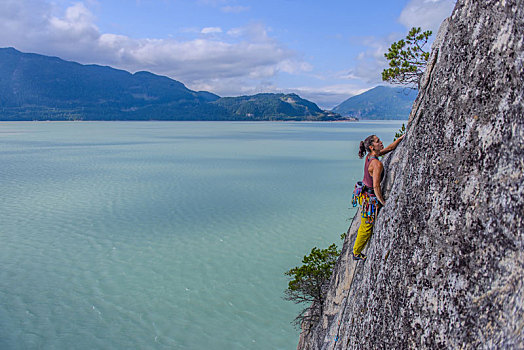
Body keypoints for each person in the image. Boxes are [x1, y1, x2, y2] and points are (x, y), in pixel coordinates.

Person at [353, 134, 404, 261]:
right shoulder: (376, 164)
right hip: (369, 200)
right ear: (371, 146)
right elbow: (376, 186)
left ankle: (356, 250)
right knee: (366, 227)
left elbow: (387, 149)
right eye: (377, 141)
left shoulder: (370, 156)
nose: (381, 142)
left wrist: (399, 139)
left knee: (365, 225)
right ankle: (356, 252)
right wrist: (383, 202)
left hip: (363, 195)